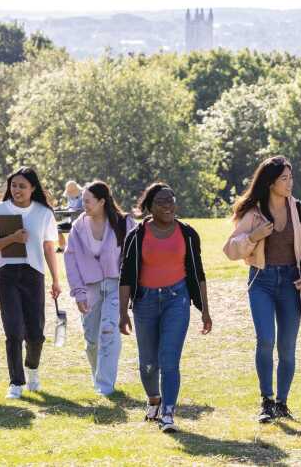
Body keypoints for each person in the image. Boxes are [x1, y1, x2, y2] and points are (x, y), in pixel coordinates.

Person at [223, 156, 301, 422]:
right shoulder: (254, 212)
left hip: (291, 283)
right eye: (284, 178)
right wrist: (253, 237)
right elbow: (230, 250)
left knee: (286, 346)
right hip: (261, 281)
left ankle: (282, 403)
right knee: (265, 340)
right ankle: (266, 401)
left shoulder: (299, 209)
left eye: (290, 178)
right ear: (270, 182)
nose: (289, 183)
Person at [119, 183, 212, 433]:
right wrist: (122, 314)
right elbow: (126, 276)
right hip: (145, 301)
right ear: (149, 206)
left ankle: (168, 413)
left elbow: (198, 273)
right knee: (148, 363)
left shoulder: (188, 234)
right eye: (161, 201)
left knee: (169, 360)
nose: (168, 205)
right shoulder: (136, 235)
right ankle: (154, 400)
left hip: (177, 299)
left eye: (171, 200)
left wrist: (204, 309)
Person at [0, 167, 62, 399]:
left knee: (36, 333)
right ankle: (16, 382)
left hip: (33, 274)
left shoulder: (44, 212)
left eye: (22, 186)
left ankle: (33, 371)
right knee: (13, 330)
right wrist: (13, 239)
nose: (16, 190)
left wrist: (56, 280)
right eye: (14, 185)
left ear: (33, 189)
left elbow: (49, 247)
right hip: (7, 275)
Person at [63, 180, 137, 396]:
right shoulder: (78, 226)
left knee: (109, 331)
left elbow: (133, 257)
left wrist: (131, 288)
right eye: (82, 201)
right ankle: (98, 377)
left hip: (116, 285)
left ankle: (105, 386)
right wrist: (78, 292)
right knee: (91, 340)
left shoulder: (124, 224)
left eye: (87, 201)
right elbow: (71, 260)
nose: (83, 204)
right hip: (89, 288)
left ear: (102, 202)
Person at [57, 181, 84, 253]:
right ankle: (63, 247)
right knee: (57, 228)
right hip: (71, 221)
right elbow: (69, 207)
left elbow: (83, 210)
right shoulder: (70, 198)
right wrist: (63, 208)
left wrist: (75, 210)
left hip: (80, 223)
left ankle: (77, 248)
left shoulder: (83, 198)